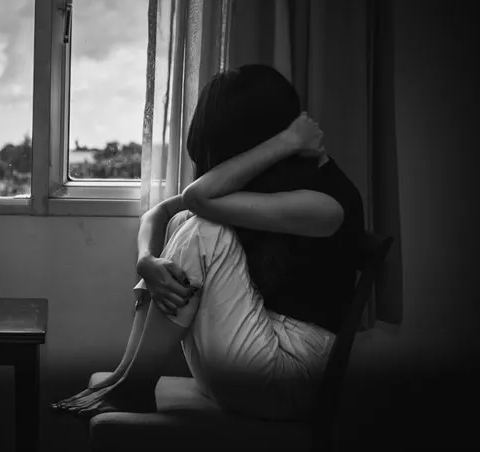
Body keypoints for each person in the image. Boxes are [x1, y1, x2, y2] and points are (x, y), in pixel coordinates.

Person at [52, 64, 364, 421]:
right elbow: (160, 214)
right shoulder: (267, 185)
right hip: (243, 359)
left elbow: (196, 196)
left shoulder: (327, 205)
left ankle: (135, 385)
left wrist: (286, 141)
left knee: (204, 229)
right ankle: (127, 375)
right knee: (186, 220)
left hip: (288, 376)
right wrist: (146, 262)